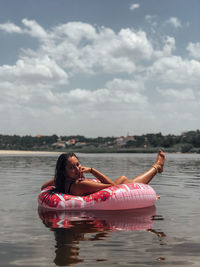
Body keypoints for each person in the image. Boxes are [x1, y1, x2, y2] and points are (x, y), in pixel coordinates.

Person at [41, 150, 165, 196]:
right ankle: (156, 167)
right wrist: (92, 171)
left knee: (124, 179)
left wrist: (59, 178)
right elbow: (112, 187)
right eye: (71, 168)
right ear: (64, 171)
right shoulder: (79, 185)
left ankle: (156, 167)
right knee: (122, 179)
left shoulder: (62, 182)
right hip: (112, 196)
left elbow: (43, 187)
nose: (77, 169)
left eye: (78, 165)